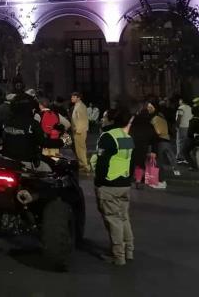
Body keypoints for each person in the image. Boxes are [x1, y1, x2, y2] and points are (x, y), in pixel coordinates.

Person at [91, 109, 135, 266]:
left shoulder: (108, 137)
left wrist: (99, 181)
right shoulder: (126, 136)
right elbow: (130, 160)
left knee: (113, 220)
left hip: (109, 184)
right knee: (124, 218)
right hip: (124, 183)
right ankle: (129, 251)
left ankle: (118, 256)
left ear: (110, 120)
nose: (102, 120)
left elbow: (103, 162)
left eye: (104, 117)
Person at [2, 80, 44, 163]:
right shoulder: (32, 123)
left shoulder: (7, 121)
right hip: (26, 160)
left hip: (8, 158)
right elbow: (42, 141)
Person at [150, 101, 180, 184]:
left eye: (150, 107)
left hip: (160, 141)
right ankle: (176, 170)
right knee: (171, 156)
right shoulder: (162, 117)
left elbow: (158, 131)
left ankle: (162, 179)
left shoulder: (155, 119)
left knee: (159, 161)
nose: (149, 109)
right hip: (167, 139)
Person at [130, 105, 157, 189]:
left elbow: (127, 133)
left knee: (131, 163)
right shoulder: (149, 125)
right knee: (140, 163)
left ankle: (130, 178)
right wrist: (154, 151)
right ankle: (138, 180)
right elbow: (154, 138)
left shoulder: (134, 123)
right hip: (143, 146)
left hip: (131, 145)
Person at [71, 91, 91, 173]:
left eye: (73, 97)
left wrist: (78, 130)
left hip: (80, 131)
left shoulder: (81, 106)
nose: (71, 98)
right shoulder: (77, 105)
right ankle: (82, 164)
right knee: (78, 149)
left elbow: (83, 120)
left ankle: (86, 166)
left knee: (81, 149)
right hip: (77, 130)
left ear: (78, 98)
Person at [175, 97, 193, 163]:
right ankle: (187, 156)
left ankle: (180, 157)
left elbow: (179, 118)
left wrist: (177, 126)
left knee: (180, 142)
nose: (179, 101)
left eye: (179, 100)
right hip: (189, 126)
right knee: (187, 142)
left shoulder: (181, 108)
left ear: (182, 101)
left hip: (182, 126)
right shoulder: (190, 108)